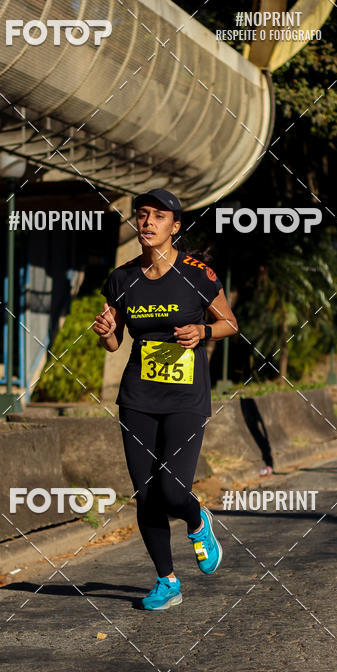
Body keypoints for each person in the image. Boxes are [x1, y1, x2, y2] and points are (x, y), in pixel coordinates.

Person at [93, 187, 237, 610]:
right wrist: (106, 333)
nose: (148, 222)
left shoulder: (197, 274)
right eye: (142, 215)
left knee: (173, 490)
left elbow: (229, 322)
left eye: (158, 216)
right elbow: (114, 341)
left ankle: (197, 519)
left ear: (174, 227)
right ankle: (166, 581)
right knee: (145, 493)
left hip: (186, 397)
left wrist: (204, 332)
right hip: (138, 395)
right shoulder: (122, 278)